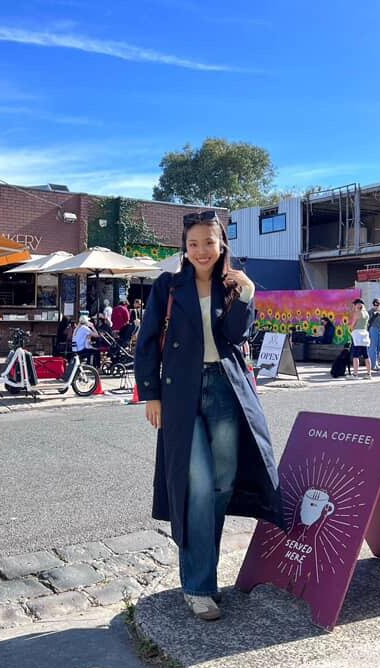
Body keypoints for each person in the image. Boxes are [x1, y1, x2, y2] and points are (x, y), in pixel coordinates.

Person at [135, 209, 285, 622]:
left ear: (222, 245)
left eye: (209, 242)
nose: (201, 250)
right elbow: (147, 341)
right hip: (180, 395)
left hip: (226, 389)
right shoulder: (168, 286)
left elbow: (235, 337)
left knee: (221, 486)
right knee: (198, 488)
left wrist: (248, 295)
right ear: (184, 248)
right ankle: (198, 586)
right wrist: (150, 394)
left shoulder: (232, 285)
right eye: (193, 243)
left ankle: (205, 573)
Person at [348, 299, 372, 379]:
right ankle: (369, 374)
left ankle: (355, 374)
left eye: (354, 305)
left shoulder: (357, 313)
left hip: (357, 334)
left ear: (357, 305)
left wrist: (350, 328)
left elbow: (352, 325)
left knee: (355, 355)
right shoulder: (366, 313)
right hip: (364, 334)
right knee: (366, 355)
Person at [367, 298, 380, 371]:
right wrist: (374, 315)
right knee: (373, 347)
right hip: (373, 329)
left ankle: (376, 363)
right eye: (375, 304)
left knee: (379, 347)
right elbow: (368, 322)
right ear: (373, 304)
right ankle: (373, 365)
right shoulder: (370, 311)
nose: (376, 306)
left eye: (378, 304)